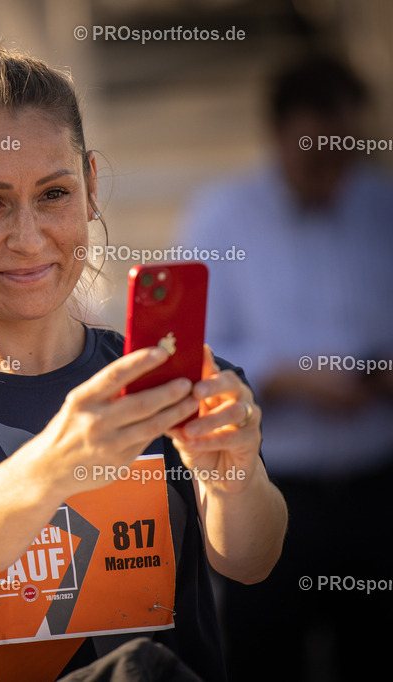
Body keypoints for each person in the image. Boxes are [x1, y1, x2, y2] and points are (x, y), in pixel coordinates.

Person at [0, 41, 287, 682]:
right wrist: (63, 459)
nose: (29, 238)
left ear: (90, 187)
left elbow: (251, 559)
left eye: (54, 194)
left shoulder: (165, 380)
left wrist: (231, 474)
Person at [178, 53, 393, 681]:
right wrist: (286, 376)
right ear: (276, 135)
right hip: (274, 487)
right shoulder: (220, 217)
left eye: (344, 151)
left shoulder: (382, 206)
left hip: (380, 489)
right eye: (316, 152)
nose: (333, 170)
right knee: (265, 657)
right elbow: (196, 348)